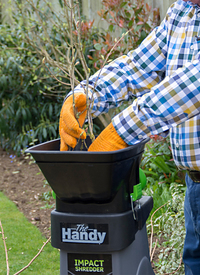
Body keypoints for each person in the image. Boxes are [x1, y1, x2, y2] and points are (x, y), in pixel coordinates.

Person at [59, 0, 200, 274]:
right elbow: (136, 66)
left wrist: (121, 131)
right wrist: (85, 94)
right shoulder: (183, 11)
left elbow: (194, 84)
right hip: (195, 185)